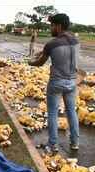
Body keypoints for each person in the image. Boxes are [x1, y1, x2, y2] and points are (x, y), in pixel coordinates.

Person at [28, 13, 80, 154]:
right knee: (71, 112)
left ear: (58, 26)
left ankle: (53, 145)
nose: (50, 28)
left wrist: (30, 62)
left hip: (57, 82)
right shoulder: (75, 40)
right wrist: (43, 52)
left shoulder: (52, 43)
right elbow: (58, 53)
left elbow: (40, 63)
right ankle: (75, 143)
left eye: (52, 25)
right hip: (72, 81)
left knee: (52, 113)